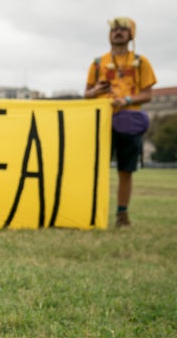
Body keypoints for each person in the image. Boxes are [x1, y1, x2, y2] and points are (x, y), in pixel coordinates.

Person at [84, 16, 156, 227]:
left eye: (123, 29)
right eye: (114, 29)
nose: (118, 32)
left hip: (129, 120)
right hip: (103, 120)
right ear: (109, 35)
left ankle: (122, 214)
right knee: (97, 167)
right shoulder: (98, 63)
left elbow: (148, 94)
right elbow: (86, 94)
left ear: (131, 34)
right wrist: (96, 91)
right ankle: (93, 212)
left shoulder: (141, 62)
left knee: (126, 170)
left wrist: (126, 100)